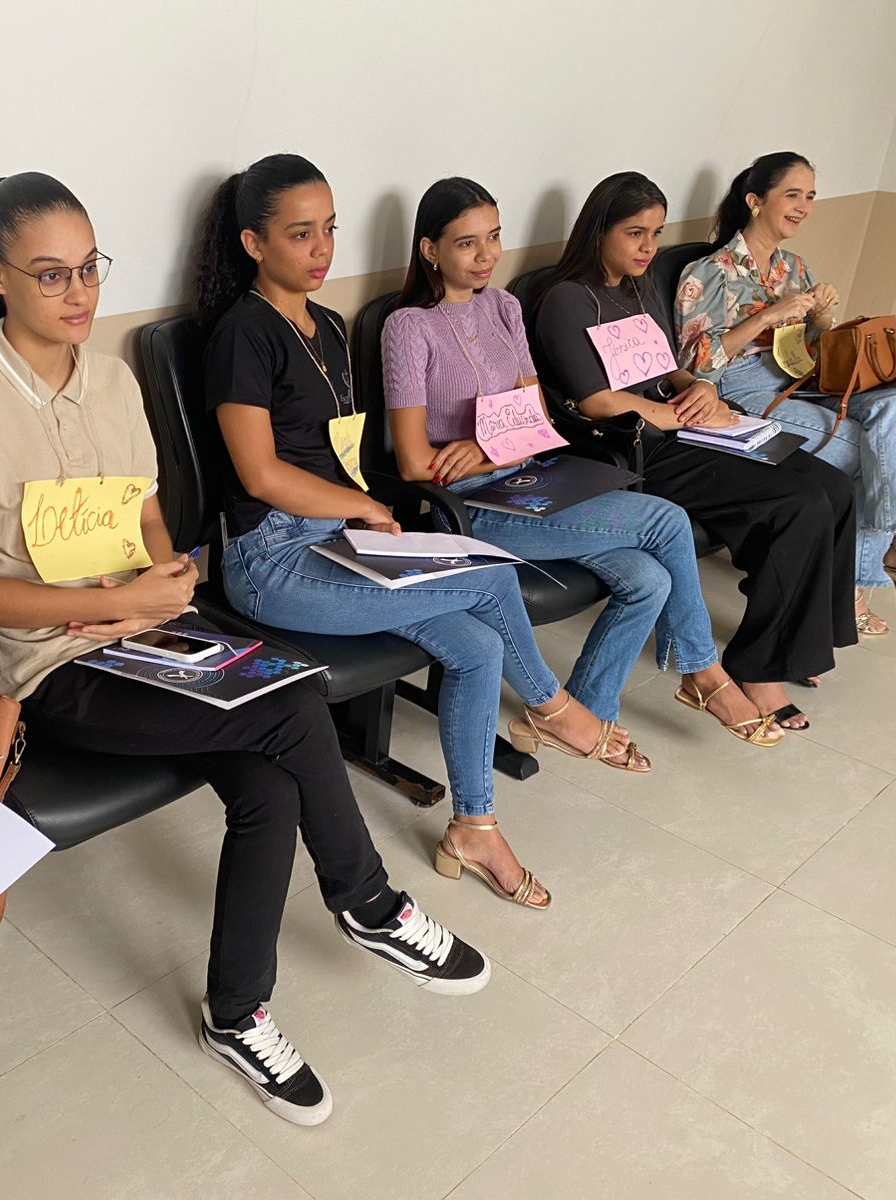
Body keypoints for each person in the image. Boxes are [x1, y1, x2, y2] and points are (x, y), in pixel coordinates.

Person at [0, 173, 487, 1129]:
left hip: (153, 631)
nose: (79, 294)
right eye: (50, 276)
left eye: (88, 268)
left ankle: (235, 1013)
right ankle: (369, 901)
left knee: (267, 785)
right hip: (50, 669)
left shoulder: (110, 377)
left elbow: (142, 515)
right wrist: (116, 600)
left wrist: (164, 574)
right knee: (296, 704)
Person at [194, 153, 638, 917]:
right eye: (300, 234)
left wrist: (369, 513)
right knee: (494, 573)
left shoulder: (328, 327)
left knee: (477, 645)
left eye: (328, 229)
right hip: (272, 557)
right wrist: (360, 507)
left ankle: (474, 828)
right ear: (252, 244)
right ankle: (554, 708)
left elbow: (340, 443)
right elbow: (260, 473)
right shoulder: (243, 335)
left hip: (338, 537)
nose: (321, 248)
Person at [382, 177, 771, 749]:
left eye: (493, 237)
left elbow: (537, 423)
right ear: (429, 249)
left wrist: (491, 447)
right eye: (467, 243)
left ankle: (585, 709)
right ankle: (702, 672)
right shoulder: (407, 328)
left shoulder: (505, 309)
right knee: (665, 520)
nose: (487, 255)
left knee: (650, 578)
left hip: (531, 481)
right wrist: (489, 453)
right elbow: (417, 464)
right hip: (466, 510)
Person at [531, 172, 858, 731]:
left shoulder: (637, 288)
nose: (648, 249)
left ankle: (799, 641)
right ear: (598, 231)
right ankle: (756, 667)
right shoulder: (566, 299)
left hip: (684, 428)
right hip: (635, 451)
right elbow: (596, 402)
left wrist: (699, 388)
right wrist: (673, 413)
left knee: (832, 484)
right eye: (635, 233)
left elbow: (665, 367)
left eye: (655, 234)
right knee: (796, 501)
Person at [677, 151, 896, 630]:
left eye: (810, 196)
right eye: (792, 194)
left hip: (806, 379)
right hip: (744, 389)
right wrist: (766, 316)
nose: (804, 206)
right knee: (867, 454)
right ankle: (862, 583)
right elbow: (693, 362)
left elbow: (812, 350)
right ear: (755, 200)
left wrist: (823, 319)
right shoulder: (709, 272)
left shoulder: (795, 267)